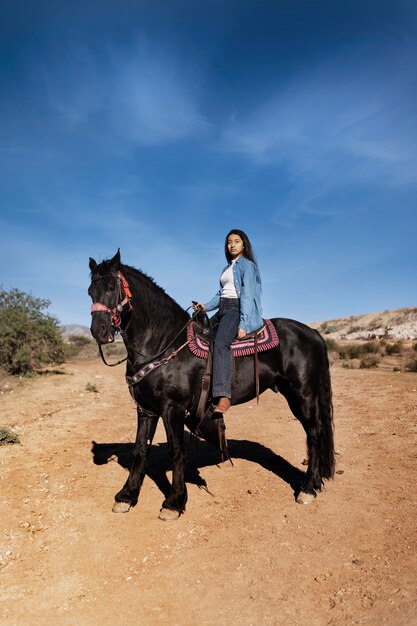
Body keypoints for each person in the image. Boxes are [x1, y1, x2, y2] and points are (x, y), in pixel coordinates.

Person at [193, 229, 263, 414]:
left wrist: (244, 324)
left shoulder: (247, 266)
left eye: (236, 241)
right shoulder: (227, 268)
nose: (232, 244)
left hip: (235, 309)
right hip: (223, 308)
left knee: (221, 342)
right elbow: (220, 295)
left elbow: (247, 295)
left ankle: (223, 395)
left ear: (243, 244)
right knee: (199, 337)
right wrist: (205, 307)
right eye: (229, 242)